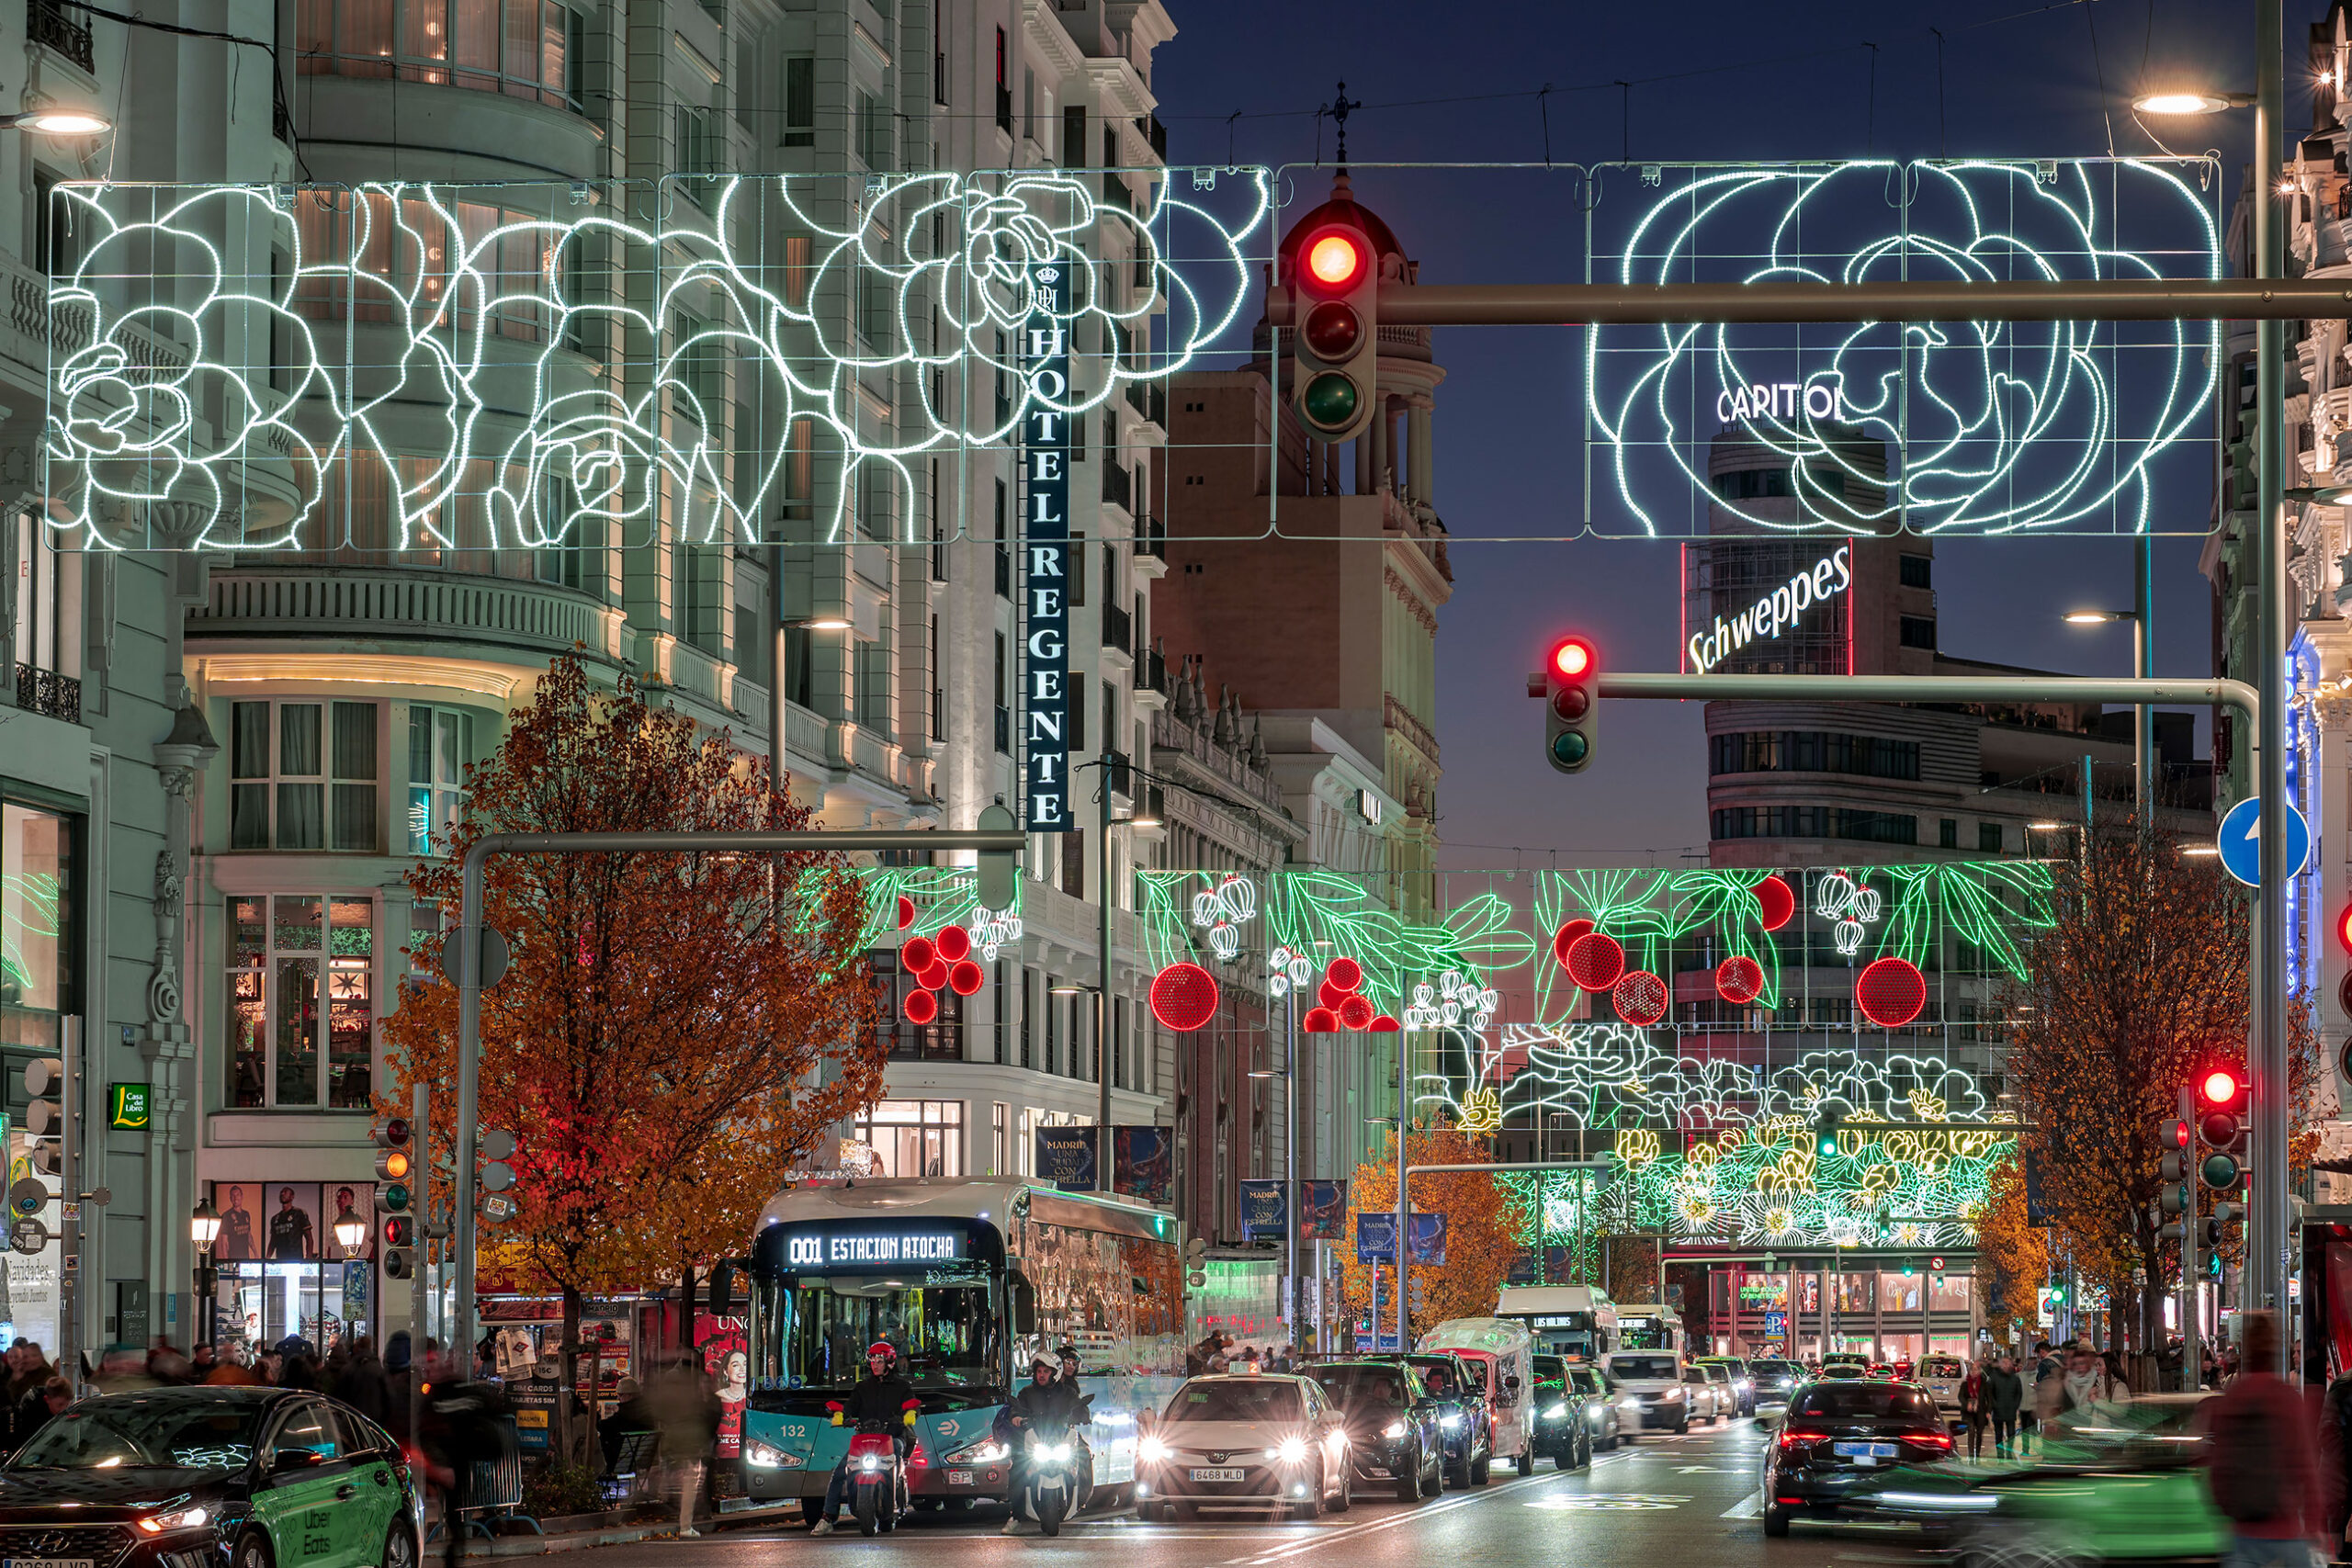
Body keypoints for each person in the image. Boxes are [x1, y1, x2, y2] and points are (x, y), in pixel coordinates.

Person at [2201, 1314, 2322, 1568]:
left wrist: (2229, 1509)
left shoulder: (2232, 1398)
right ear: (2276, 1353)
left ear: (2247, 1352)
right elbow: (2305, 1465)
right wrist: (2313, 1524)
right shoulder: (2286, 1398)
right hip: (2286, 1533)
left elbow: (2217, 1466)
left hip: (2242, 1533)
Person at [808, 1343, 918, 1538]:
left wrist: (910, 1412)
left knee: (897, 1456)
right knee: (840, 1471)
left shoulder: (902, 1386)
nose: (875, 1365)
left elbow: (912, 1404)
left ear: (890, 1362)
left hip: (892, 1437)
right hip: (865, 1440)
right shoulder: (862, 1387)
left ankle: (895, 1500)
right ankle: (827, 1517)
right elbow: (850, 1406)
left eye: (879, 1361)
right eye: (872, 1361)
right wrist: (842, 1415)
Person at [1000, 1355, 1087, 1537]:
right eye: (1039, 1371)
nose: (1041, 1375)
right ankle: (1015, 1517)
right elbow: (1017, 1408)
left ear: (1055, 1373)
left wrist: (1082, 1415)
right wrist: (1016, 1416)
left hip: (1060, 1440)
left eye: (1046, 1371)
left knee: (1084, 1457)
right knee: (1018, 1470)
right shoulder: (1026, 1393)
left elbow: (1078, 1407)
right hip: (1035, 1440)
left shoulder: (1067, 1392)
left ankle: (1083, 1498)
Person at [648, 1354, 719, 1539]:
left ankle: (667, 1497)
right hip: (690, 1440)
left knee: (676, 1475)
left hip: (672, 1439)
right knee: (691, 1481)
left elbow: (656, 1411)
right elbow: (700, 1415)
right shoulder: (689, 1391)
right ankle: (685, 1524)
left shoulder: (666, 1393)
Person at [1984, 1353, 2024, 1457]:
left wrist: (2015, 1406)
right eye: (2004, 1363)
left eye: (2008, 1363)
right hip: (1998, 1411)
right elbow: (1990, 1394)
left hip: (2010, 1410)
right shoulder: (1994, 1377)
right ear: (2000, 1364)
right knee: (1998, 1435)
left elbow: (2018, 1393)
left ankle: (2010, 1454)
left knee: (2011, 1434)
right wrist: (1994, 1405)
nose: (2006, 1365)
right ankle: (2000, 1455)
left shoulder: (2015, 1378)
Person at [1960, 1356, 1989, 1461]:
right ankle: (1971, 1453)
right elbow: (1961, 1396)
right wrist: (1966, 1403)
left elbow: (1988, 1398)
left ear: (1979, 1371)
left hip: (1980, 1410)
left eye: (1976, 1370)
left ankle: (1978, 1452)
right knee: (1971, 1431)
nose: (1974, 1372)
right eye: (1972, 1370)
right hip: (1968, 1412)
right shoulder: (1965, 1384)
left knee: (1980, 1433)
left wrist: (1988, 1411)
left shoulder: (1984, 1384)